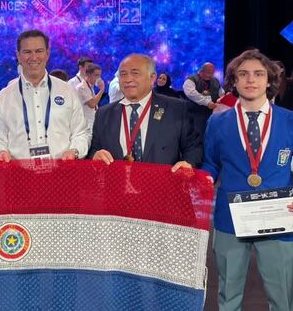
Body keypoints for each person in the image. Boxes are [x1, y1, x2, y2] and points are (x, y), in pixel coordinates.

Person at [202, 49, 293, 311]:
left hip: (278, 216)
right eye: (243, 74)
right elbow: (211, 163)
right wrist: (203, 179)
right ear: (234, 81)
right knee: (228, 296)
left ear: (269, 81)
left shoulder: (289, 121)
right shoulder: (218, 122)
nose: (250, 80)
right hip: (231, 217)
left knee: (283, 297)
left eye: (258, 74)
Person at [88, 53, 202, 170]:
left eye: (135, 73)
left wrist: (188, 163)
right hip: (117, 186)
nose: (128, 79)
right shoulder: (103, 114)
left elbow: (193, 147)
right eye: (123, 74)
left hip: (161, 185)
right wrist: (95, 156)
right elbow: (94, 150)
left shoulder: (177, 109)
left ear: (152, 78)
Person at [0, 29, 90, 160]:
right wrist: (1, 151)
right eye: (27, 52)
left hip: (62, 174)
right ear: (18, 55)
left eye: (39, 51)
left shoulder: (67, 91)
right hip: (19, 176)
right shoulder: (3, 98)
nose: (33, 57)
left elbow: (81, 132)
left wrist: (74, 151)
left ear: (47, 53)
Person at [183, 62, 225, 141]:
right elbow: (191, 94)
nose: (211, 75)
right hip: (194, 115)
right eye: (208, 73)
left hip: (211, 115)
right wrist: (207, 103)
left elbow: (221, 94)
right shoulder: (191, 80)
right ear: (201, 71)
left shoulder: (215, 81)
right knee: (196, 139)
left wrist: (225, 98)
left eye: (212, 73)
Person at [76, 63, 106, 130]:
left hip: (92, 122)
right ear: (88, 75)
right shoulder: (82, 87)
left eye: (99, 76)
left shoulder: (90, 87)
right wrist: (101, 90)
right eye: (96, 75)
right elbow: (92, 104)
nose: (99, 78)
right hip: (85, 125)